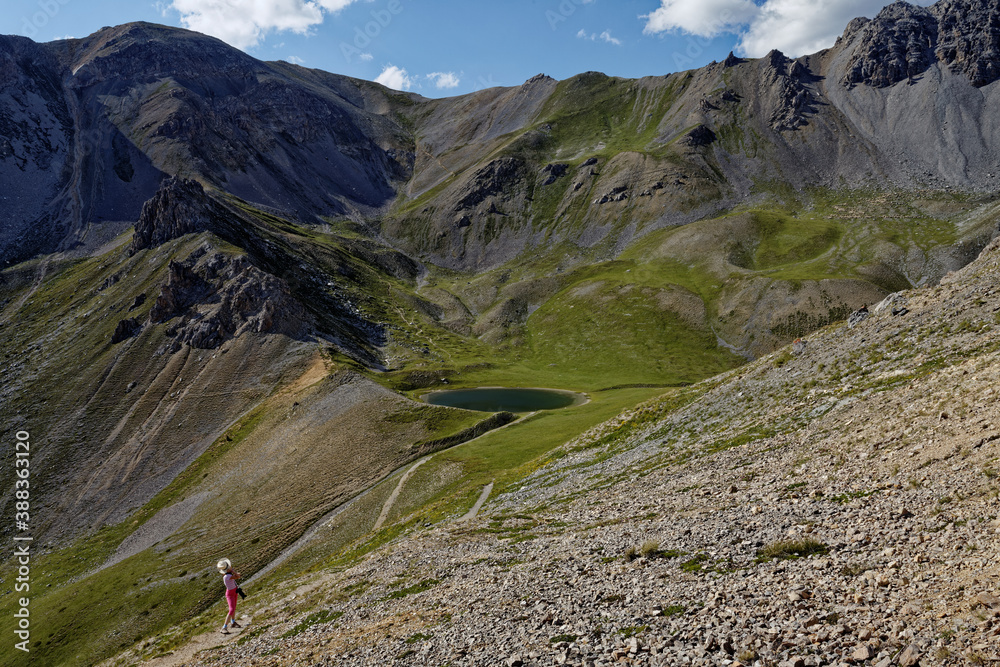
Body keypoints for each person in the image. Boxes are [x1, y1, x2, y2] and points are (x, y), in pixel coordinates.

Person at [217, 558, 242, 633]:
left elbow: (237, 576)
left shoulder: (228, 575)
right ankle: (224, 627)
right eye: (230, 567)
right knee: (231, 609)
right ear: (228, 569)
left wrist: (233, 572)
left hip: (234, 592)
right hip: (230, 594)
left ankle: (233, 622)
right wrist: (234, 571)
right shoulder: (227, 576)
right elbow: (238, 576)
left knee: (233, 608)